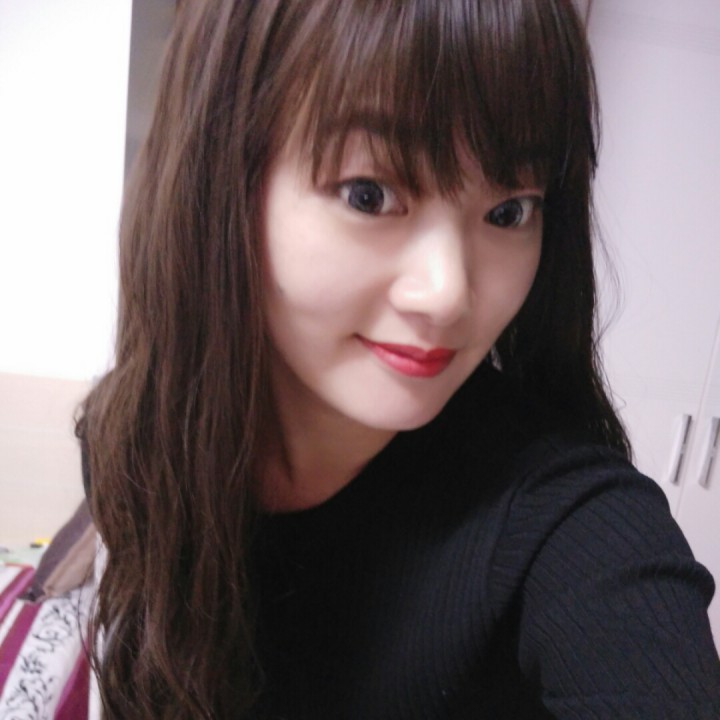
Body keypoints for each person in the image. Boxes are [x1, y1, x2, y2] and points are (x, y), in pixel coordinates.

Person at [76, 0, 720, 717]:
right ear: (221, 180)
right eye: (369, 194)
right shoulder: (135, 440)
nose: (447, 294)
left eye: (509, 211)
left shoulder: (574, 529)